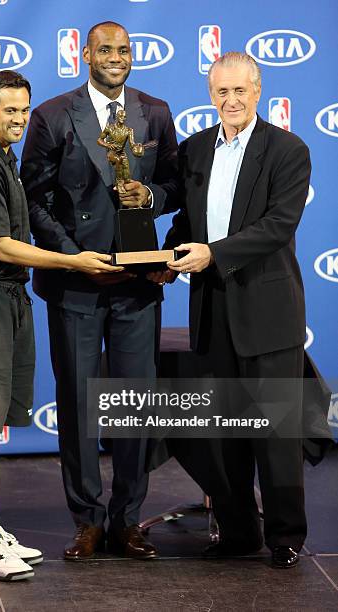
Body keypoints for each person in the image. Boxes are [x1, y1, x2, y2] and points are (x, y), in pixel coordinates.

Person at [0, 70, 119, 581]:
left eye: (25, 110)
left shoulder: (4, 158)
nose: (20, 119)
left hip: (7, 297)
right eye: (10, 111)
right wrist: (73, 261)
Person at [21, 21, 178, 560]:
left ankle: (127, 520)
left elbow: (176, 185)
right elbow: (33, 199)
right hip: (76, 285)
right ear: (85, 54)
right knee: (80, 403)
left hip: (138, 282)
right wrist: (72, 257)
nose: (116, 58)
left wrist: (150, 195)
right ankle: (86, 519)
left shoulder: (154, 111)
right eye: (106, 50)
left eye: (124, 50)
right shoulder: (51, 115)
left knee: (135, 406)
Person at [151, 52, 313, 569]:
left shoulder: (288, 149)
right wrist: (168, 258)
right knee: (223, 434)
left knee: (276, 433)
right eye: (222, 92)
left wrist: (213, 254)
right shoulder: (195, 150)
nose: (231, 101)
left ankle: (286, 537)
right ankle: (239, 532)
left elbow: (277, 225)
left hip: (267, 312)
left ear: (258, 91)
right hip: (211, 309)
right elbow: (187, 223)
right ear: (210, 95)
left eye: (240, 91)